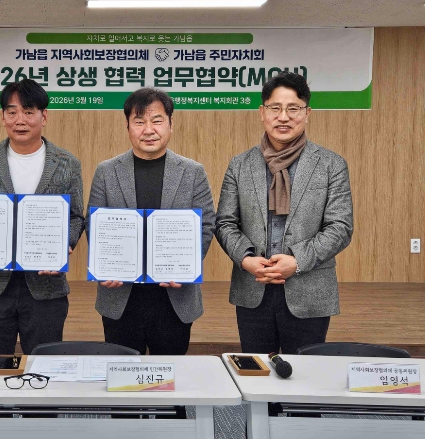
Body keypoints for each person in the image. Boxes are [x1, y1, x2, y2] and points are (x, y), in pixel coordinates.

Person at [215, 71, 353, 355]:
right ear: (262, 112)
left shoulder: (331, 164)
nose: (283, 117)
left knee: (305, 374)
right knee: (257, 371)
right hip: (253, 287)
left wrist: (297, 261)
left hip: (309, 289)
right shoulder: (240, 165)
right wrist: (246, 259)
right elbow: (225, 223)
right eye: (275, 108)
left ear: (307, 113)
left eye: (293, 109)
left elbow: (340, 227)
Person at [0, 79, 84, 355]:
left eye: (28, 111)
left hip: (45, 287)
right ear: (3, 118)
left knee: (44, 364)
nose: (20, 120)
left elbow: (75, 217)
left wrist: (65, 244)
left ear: (44, 116)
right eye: (12, 112)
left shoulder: (67, 163)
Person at [87, 87, 215, 355]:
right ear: (127, 126)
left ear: (170, 124)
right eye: (139, 122)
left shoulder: (193, 171)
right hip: (121, 297)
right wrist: (103, 265)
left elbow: (205, 225)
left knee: (170, 372)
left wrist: (187, 266)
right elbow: (95, 224)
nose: (148, 130)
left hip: (174, 296)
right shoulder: (106, 171)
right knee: (122, 373)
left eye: (157, 120)